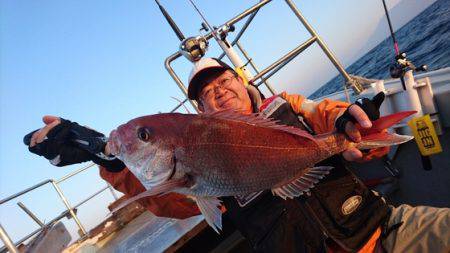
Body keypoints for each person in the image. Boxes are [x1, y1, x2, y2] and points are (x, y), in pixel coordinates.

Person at [27, 58, 449, 252]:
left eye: (224, 80)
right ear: (201, 113)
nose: (218, 91)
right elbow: (165, 199)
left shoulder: (290, 108)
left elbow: (329, 116)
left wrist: (348, 125)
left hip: (388, 231)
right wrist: (106, 157)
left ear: (244, 85)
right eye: (206, 93)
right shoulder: (194, 158)